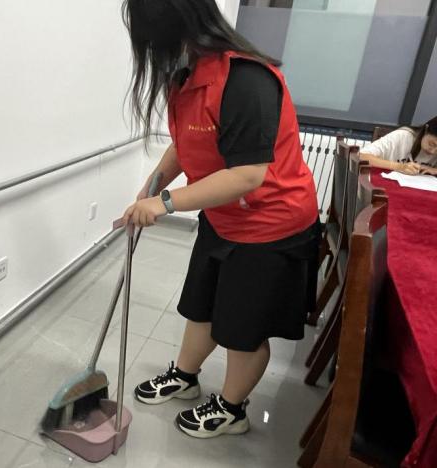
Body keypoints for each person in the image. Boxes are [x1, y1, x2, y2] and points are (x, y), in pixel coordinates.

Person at [120, 0, 320, 439]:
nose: (150, 51)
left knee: (243, 327)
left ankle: (232, 408)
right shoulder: (187, 74)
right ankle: (186, 376)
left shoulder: (246, 80)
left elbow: (248, 175)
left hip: (270, 225)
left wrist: (165, 202)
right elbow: (186, 143)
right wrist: (152, 186)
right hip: (224, 215)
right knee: (202, 304)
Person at [360, 117, 437, 176]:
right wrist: (399, 166)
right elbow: (361, 156)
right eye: (432, 144)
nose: (432, 151)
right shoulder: (402, 136)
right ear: (426, 129)